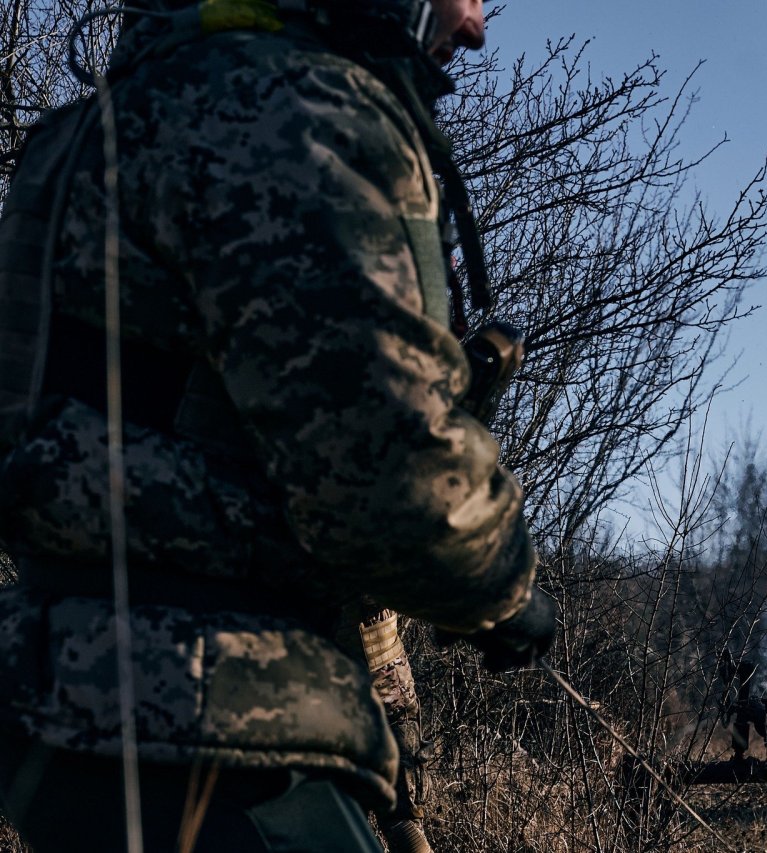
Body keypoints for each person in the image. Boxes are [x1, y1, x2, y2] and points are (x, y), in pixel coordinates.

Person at [0, 0, 555, 849]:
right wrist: (504, 589)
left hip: (55, 722)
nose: (475, 25)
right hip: (218, 723)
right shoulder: (297, 113)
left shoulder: (85, 132)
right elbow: (384, 479)